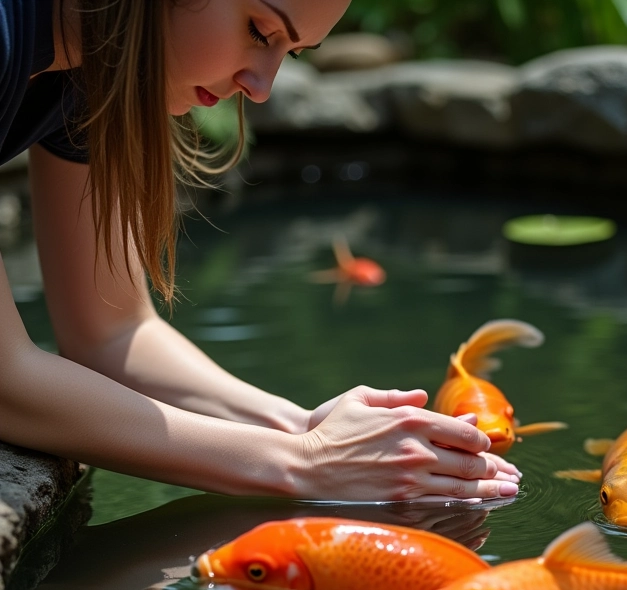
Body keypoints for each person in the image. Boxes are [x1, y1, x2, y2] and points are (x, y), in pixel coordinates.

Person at [0, 0, 521, 502]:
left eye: (290, 52)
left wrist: (306, 427)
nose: (261, 87)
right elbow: (6, 380)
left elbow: (113, 335)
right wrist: (299, 463)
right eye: (259, 31)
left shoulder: (96, 67)